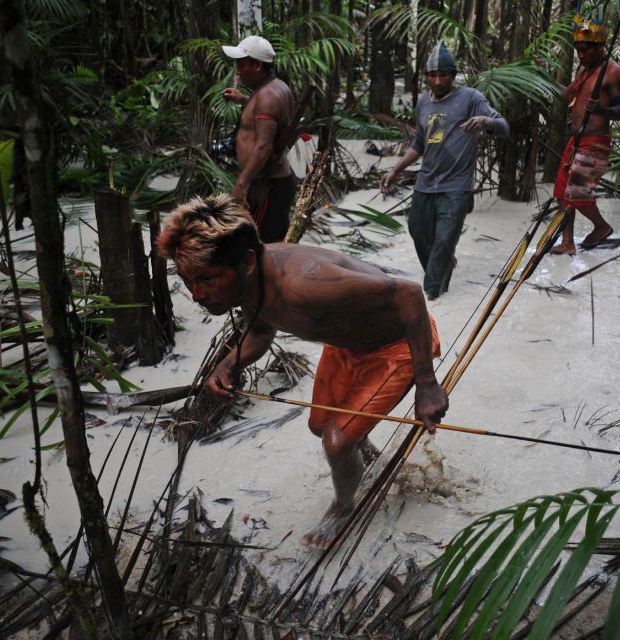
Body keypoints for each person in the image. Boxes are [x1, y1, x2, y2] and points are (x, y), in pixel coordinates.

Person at [157, 195, 449, 547]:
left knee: (336, 442)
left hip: (397, 345)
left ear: (247, 263)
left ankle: (343, 507)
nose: (196, 294)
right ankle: (366, 451)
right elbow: (262, 331)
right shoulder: (251, 284)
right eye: (189, 281)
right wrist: (228, 363)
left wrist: (427, 383)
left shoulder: (306, 283)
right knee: (319, 425)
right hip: (346, 345)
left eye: (206, 279)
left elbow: (409, 295)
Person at [379, 42, 509, 300]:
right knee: (418, 231)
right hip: (426, 182)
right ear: (426, 76)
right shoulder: (423, 103)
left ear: (453, 74)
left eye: (444, 75)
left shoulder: (471, 98)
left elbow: (503, 125)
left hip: (457, 185)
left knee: (444, 240)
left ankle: (432, 293)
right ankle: (444, 266)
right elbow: (419, 144)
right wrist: (395, 170)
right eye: (433, 75)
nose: (438, 81)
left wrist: (485, 121)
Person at [550, 15, 620, 256]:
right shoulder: (583, 70)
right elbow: (567, 95)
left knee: (579, 195)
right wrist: (543, 78)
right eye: (578, 50)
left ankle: (602, 226)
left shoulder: (614, 72)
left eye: (585, 50)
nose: (580, 55)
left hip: (595, 142)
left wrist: (602, 110)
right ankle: (568, 242)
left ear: (599, 47)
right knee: (562, 194)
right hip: (576, 140)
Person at [221, 35, 297, 243]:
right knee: (268, 244)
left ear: (258, 65)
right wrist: (244, 99)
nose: (237, 71)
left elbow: (264, 146)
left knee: (260, 247)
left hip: (267, 186)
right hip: (272, 183)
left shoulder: (267, 97)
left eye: (242, 65)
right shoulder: (274, 87)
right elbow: (270, 117)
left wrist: (241, 184)